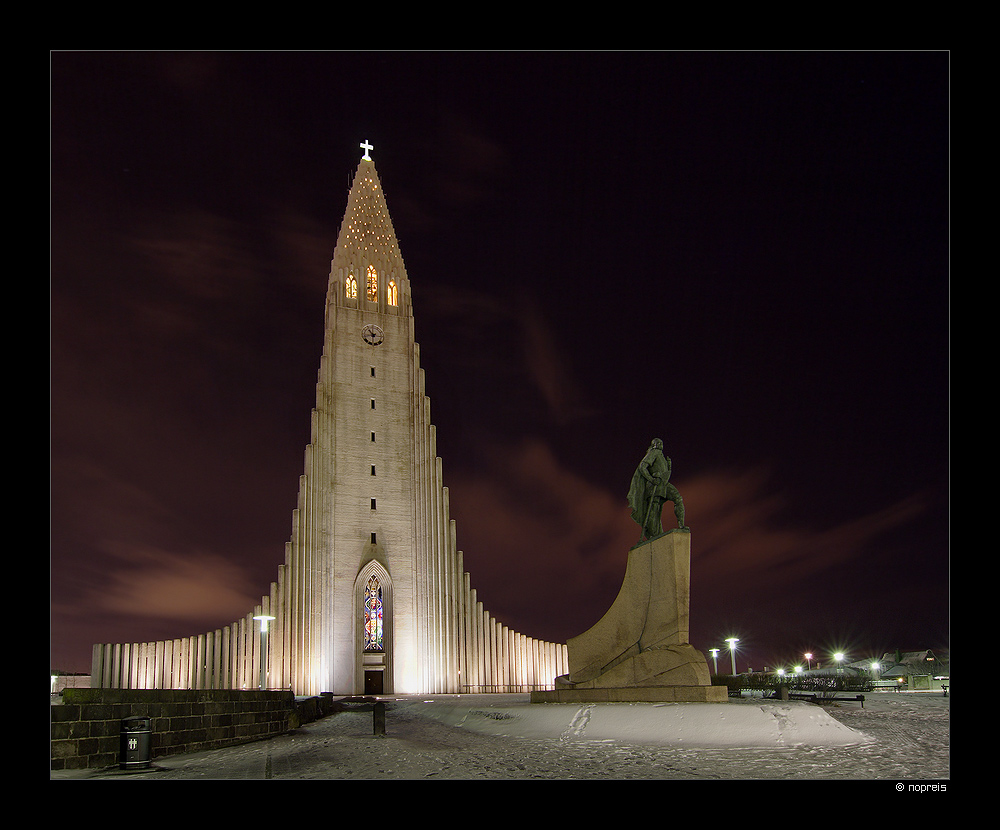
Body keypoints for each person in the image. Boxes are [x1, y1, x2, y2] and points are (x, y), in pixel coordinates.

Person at [627, 438, 687, 541]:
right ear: (654, 444)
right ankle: (654, 534)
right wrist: (651, 479)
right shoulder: (654, 452)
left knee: (678, 498)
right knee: (654, 509)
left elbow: (665, 473)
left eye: (661, 443)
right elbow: (642, 466)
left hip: (663, 483)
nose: (660, 445)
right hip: (655, 484)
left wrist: (669, 467)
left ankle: (681, 525)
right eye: (658, 443)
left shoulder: (661, 456)